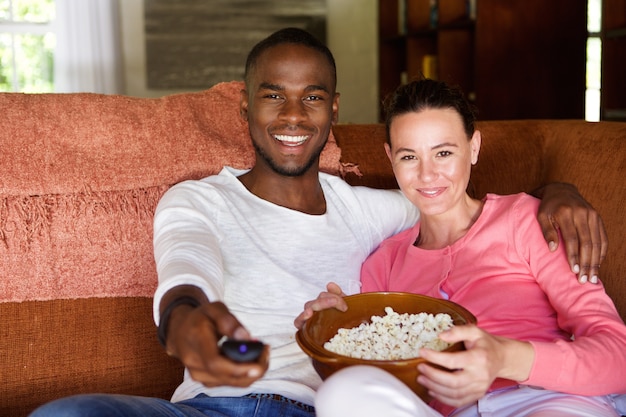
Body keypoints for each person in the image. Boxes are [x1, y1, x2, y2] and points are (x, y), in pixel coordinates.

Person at [29, 28, 608, 417]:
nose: (291, 116)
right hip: (208, 408)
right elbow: (186, 266)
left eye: (312, 98)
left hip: (327, 407)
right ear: (245, 107)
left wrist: (556, 190)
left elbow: (455, 204)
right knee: (67, 414)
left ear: (334, 108)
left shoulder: (372, 210)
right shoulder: (197, 200)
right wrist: (185, 319)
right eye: (272, 95)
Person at [298, 79, 626, 417]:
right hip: (447, 412)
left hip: (546, 401)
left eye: (443, 152)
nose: (427, 175)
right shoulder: (383, 264)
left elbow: (618, 356)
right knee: (340, 394)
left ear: (473, 147)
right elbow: (382, 370)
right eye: (409, 156)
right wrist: (331, 329)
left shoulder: (527, 221)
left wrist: (504, 358)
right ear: (391, 158)